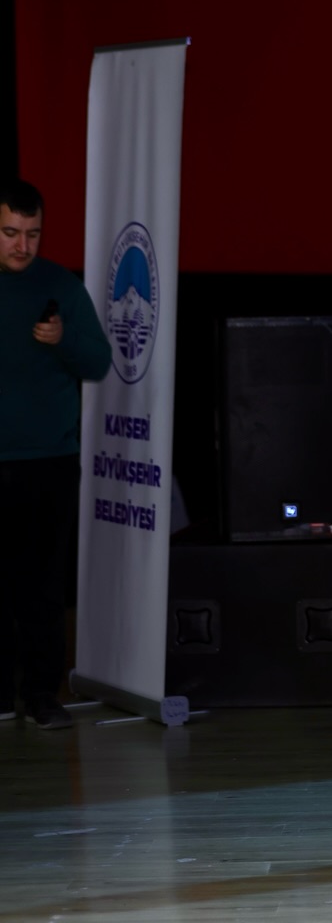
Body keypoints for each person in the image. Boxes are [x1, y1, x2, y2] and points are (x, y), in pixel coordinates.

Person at [0, 178, 113, 730]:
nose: (22, 245)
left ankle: (42, 695)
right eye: (10, 233)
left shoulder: (60, 286)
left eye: (32, 234)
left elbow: (98, 362)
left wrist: (63, 338)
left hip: (48, 459)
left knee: (43, 585)